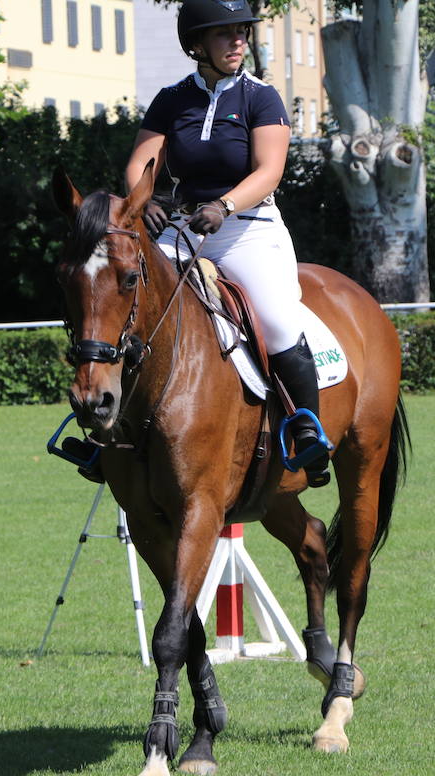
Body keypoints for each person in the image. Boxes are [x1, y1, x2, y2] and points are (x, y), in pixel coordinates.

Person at [124, 0, 329, 485]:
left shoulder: (262, 97)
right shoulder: (171, 99)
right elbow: (140, 162)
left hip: (247, 230)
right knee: (129, 300)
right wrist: (142, 202)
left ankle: (308, 432)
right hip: (184, 230)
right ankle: (106, 434)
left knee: (278, 324)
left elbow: (270, 171)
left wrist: (226, 205)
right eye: (225, 34)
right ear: (197, 44)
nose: (238, 42)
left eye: (241, 32)